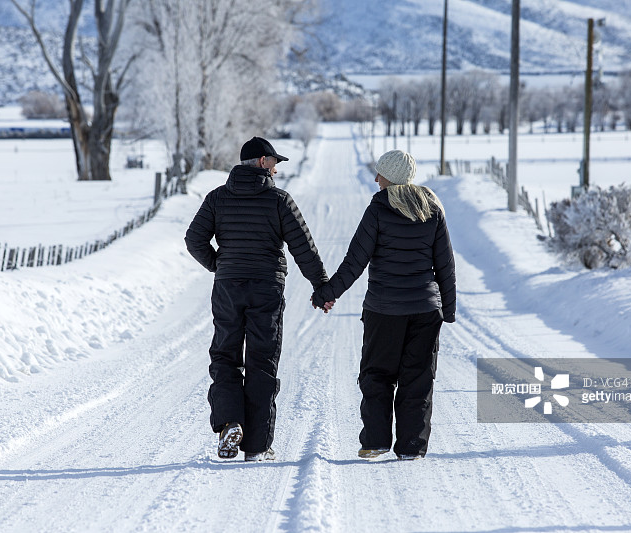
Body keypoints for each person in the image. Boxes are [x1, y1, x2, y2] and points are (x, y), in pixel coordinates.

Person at [185, 136, 329, 461]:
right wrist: (321, 284)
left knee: (225, 356)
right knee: (261, 361)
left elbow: (194, 239)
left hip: (227, 288)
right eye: (274, 162)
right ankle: (257, 446)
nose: (277, 169)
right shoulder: (279, 201)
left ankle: (230, 422)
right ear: (263, 162)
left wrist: (220, 264)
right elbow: (302, 247)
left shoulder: (217, 198)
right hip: (266, 287)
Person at [311, 149, 456, 460]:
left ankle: (376, 441)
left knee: (377, 375)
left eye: (381, 174)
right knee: (417, 380)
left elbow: (355, 260)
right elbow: (445, 264)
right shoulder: (432, 209)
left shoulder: (379, 208)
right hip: (425, 311)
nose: (376, 178)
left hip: (385, 310)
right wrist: (449, 309)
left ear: (392, 177)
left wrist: (328, 293)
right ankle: (411, 448)